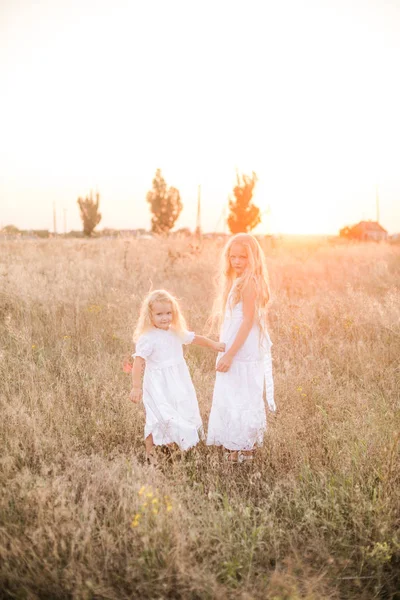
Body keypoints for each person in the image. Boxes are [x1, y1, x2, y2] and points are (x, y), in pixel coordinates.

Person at [129, 289, 225, 463]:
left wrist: (213, 344)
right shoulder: (147, 338)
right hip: (157, 384)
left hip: (179, 382)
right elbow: (138, 362)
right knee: (157, 416)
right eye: (159, 314)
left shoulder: (175, 331)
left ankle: (175, 450)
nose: (165, 318)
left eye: (168, 313)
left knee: (178, 413)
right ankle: (150, 456)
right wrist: (136, 387)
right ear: (149, 315)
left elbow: (195, 338)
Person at [206, 233, 276, 462]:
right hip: (235, 345)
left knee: (243, 396)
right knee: (234, 395)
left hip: (242, 350)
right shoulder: (237, 280)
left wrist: (230, 354)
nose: (237, 261)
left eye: (243, 257)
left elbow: (248, 321)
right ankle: (236, 448)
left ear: (253, 258)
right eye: (232, 256)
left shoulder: (249, 283)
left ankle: (244, 451)